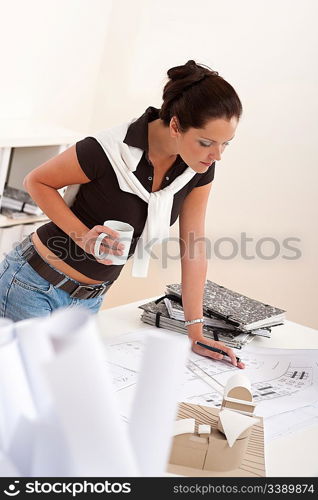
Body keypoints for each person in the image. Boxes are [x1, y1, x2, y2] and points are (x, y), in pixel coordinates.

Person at [0, 60, 244, 368]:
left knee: (67, 393)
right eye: (206, 142)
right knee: (21, 396)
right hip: (32, 284)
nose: (216, 154)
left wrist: (195, 330)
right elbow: (36, 181)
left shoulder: (196, 170)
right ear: (175, 126)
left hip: (88, 300)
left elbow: (193, 246)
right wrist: (83, 237)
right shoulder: (106, 150)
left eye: (226, 144)